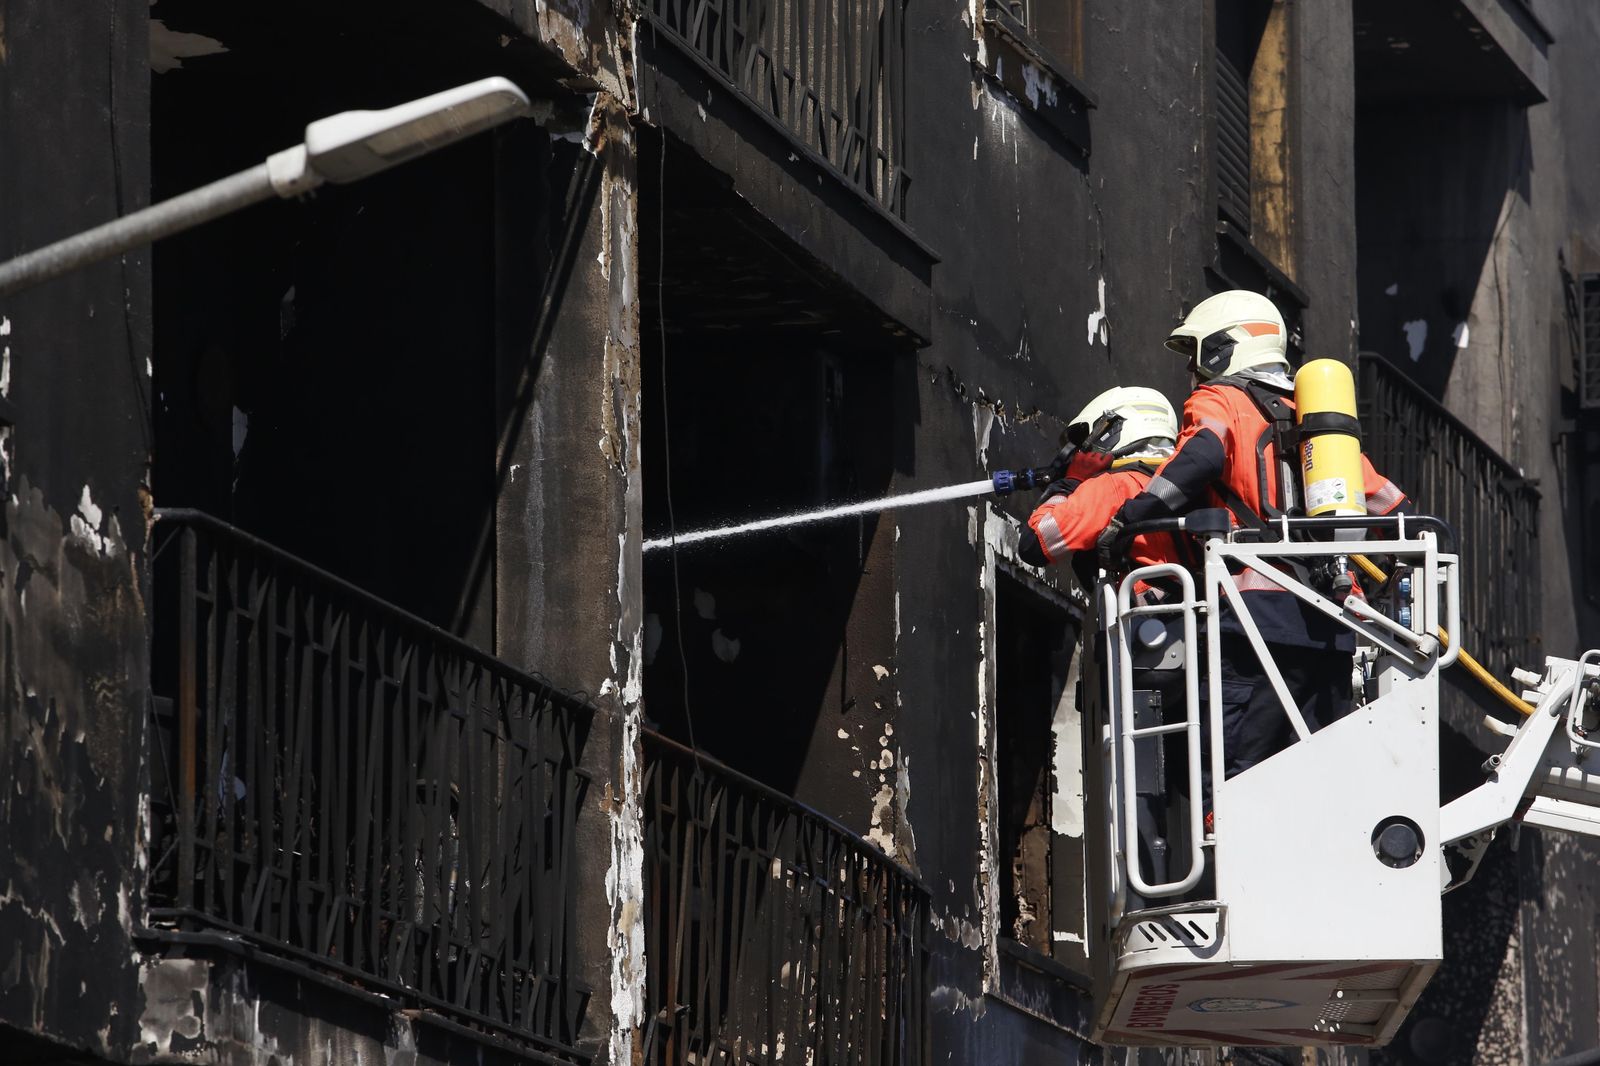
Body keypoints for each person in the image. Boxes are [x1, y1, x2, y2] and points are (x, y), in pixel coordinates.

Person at [1098, 290, 1410, 781]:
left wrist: (1130, 517)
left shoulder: (1220, 400)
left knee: (1232, 776)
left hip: (1253, 619)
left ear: (1224, 347)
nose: (1193, 373)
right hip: (1331, 625)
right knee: (1317, 777)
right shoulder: (1321, 429)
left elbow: (1197, 459)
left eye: (1197, 356)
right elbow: (1396, 510)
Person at [1017, 386, 1185, 593]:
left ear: (1112, 430)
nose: (1084, 451)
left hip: (1152, 621)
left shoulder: (1118, 485)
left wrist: (1073, 480)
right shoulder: (1182, 482)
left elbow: (1033, 545)